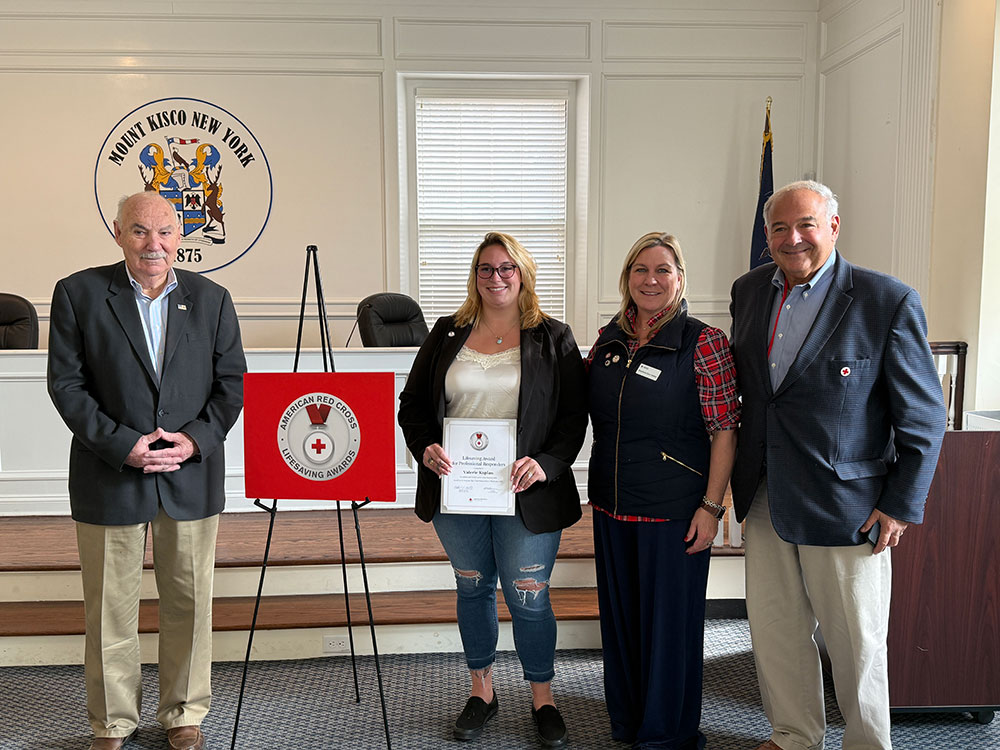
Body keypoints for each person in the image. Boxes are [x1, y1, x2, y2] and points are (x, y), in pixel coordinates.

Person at [728, 180, 947, 750]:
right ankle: (794, 735)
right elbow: (757, 395)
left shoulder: (885, 300)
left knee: (857, 640)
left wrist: (900, 503)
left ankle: (868, 743)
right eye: (779, 228)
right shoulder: (749, 291)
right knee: (776, 630)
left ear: (834, 227)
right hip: (764, 494)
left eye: (806, 225)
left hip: (847, 505)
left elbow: (923, 417)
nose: (792, 238)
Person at [47, 192, 246, 750]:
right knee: (110, 606)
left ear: (181, 234)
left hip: (190, 475)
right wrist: (124, 445)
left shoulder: (212, 299)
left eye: (163, 231)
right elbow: (66, 386)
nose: (152, 244)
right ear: (117, 233)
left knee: (189, 601)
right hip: (109, 473)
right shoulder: (78, 293)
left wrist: (195, 441)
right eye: (138, 231)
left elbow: (232, 384)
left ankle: (184, 712)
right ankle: (112, 721)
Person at [398, 231, 588, 748]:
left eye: (507, 268)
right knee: (473, 587)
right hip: (457, 493)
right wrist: (425, 448)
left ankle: (542, 698)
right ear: (474, 276)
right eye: (486, 268)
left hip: (526, 491)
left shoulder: (554, 336)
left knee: (528, 595)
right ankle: (482, 691)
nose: (496, 277)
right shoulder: (446, 332)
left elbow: (574, 419)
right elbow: (412, 407)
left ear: (523, 274)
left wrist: (546, 465)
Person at [585, 232, 739, 749]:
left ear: (679, 278)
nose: (651, 280)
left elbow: (725, 429)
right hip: (612, 508)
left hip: (676, 513)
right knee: (624, 628)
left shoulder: (704, 341)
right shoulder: (606, 342)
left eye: (663, 270)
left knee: (669, 633)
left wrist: (712, 508)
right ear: (627, 278)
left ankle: (668, 735)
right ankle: (628, 725)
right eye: (640, 270)